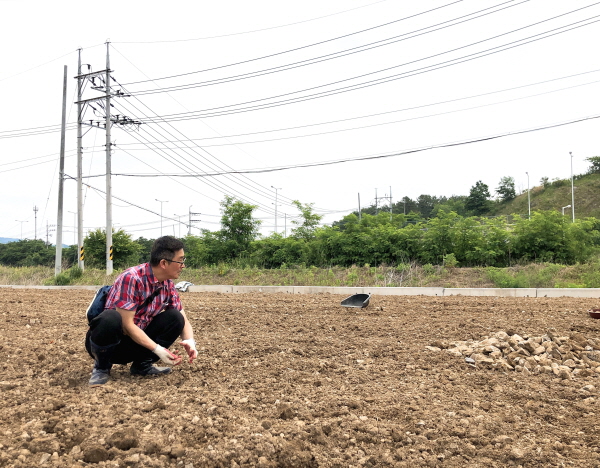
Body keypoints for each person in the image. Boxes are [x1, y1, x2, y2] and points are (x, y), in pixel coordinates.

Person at [85, 236, 198, 386]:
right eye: (181, 260)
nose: (183, 266)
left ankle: (142, 365)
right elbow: (127, 325)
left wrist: (190, 341)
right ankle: (101, 367)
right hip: (113, 343)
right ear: (164, 263)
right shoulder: (131, 278)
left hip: (137, 341)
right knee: (110, 318)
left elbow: (183, 318)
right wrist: (158, 349)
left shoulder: (168, 285)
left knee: (175, 317)